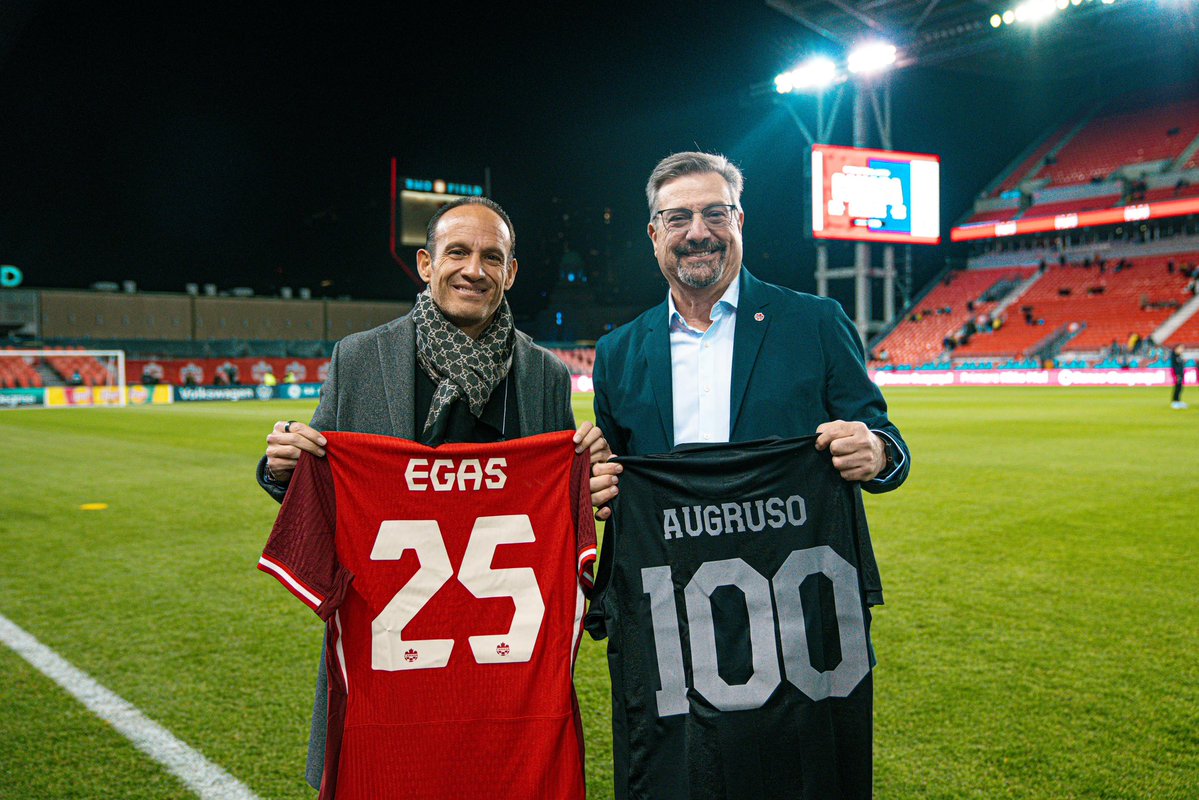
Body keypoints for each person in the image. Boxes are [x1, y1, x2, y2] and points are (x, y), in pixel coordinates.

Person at [256, 196, 609, 791]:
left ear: (511, 272)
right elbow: (321, 476)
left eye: (492, 257)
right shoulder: (360, 359)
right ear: (425, 264)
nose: (474, 269)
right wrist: (283, 468)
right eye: (458, 253)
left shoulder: (544, 377)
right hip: (387, 667)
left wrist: (590, 487)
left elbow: (561, 508)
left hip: (506, 670)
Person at [587, 151, 909, 797]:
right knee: (680, 775)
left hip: (796, 621)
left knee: (798, 774)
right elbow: (614, 484)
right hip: (672, 624)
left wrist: (873, 451)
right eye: (677, 218)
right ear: (653, 234)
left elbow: (883, 437)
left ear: (740, 221)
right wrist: (592, 488)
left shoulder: (814, 323)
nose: (696, 232)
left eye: (714, 213)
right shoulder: (619, 351)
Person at [1170, 343, 1187, 409]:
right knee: (1178, 388)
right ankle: (1175, 402)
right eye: (1181, 348)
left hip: (1180, 374)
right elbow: (1174, 366)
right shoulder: (1174, 356)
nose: (1182, 349)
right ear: (1176, 348)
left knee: (1180, 387)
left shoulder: (1179, 356)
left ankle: (1178, 401)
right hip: (1177, 374)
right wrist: (1177, 375)